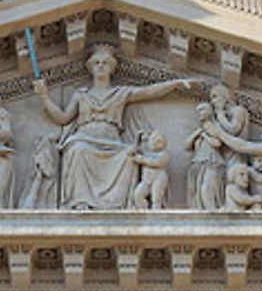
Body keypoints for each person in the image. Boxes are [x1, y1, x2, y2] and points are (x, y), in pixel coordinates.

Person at [33, 45, 196, 210]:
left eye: (105, 62)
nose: (101, 66)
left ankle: (115, 206)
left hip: (112, 143)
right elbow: (63, 118)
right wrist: (44, 96)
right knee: (78, 149)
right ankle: (81, 202)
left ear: (112, 68)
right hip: (84, 139)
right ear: (90, 68)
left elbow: (148, 92)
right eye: (96, 63)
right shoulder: (81, 95)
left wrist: (175, 84)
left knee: (127, 156)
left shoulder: (121, 93)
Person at [185, 102, 226, 210]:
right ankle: (202, 209)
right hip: (199, 163)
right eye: (198, 111)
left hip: (211, 161)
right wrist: (197, 134)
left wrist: (205, 136)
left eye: (201, 110)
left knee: (207, 187)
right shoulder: (200, 130)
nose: (199, 113)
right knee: (197, 189)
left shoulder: (213, 127)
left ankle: (211, 211)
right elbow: (187, 146)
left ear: (209, 112)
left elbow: (218, 143)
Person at [129, 130, 170, 209]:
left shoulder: (164, 155)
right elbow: (131, 152)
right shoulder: (146, 153)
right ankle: (144, 211)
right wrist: (138, 139)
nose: (155, 143)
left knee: (156, 197)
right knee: (138, 195)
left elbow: (157, 163)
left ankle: (156, 213)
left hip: (158, 178)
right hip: (146, 180)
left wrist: (141, 160)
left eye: (159, 141)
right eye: (152, 140)